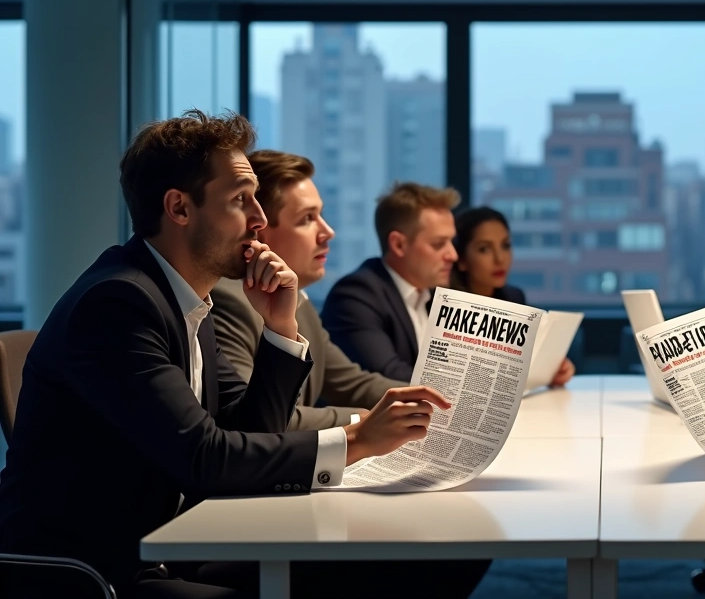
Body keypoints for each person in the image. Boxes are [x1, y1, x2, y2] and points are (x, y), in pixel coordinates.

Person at [0, 111, 464, 599]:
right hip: (91, 567)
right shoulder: (119, 304)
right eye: (241, 200)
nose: (260, 220)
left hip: (169, 540)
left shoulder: (185, 299)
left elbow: (243, 434)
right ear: (179, 208)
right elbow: (204, 457)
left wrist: (279, 328)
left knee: (366, 569)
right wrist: (356, 440)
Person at [210, 150, 419, 428]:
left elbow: (353, 383)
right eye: (307, 219)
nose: (328, 231)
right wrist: (366, 421)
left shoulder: (300, 303)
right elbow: (260, 418)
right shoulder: (230, 301)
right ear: (259, 232)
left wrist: (436, 400)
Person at [321, 182, 460, 383]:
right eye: (439, 244)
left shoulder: (439, 295)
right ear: (398, 244)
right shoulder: (356, 295)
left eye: (451, 242)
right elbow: (390, 375)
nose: (453, 255)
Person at [451, 205, 575, 387]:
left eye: (505, 246)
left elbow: (527, 364)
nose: (500, 259)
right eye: (484, 249)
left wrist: (552, 370)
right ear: (461, 259)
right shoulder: (449, 306)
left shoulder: (514, 298)